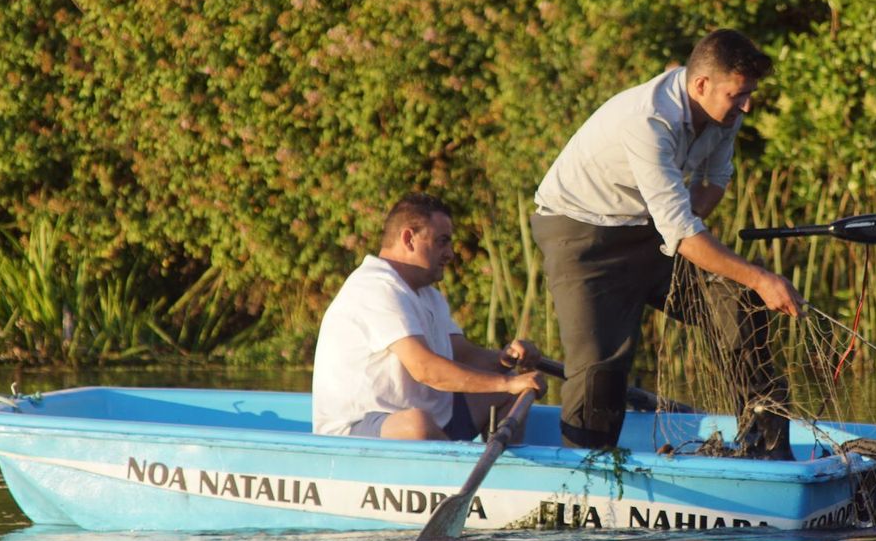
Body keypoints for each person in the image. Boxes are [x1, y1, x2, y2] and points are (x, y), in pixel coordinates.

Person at [531, 28, 802, 457]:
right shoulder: (649, 120)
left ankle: (765, 449)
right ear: (701, 85)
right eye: (738, 95)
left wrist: (691, 239)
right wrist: (763, 278)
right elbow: (683, 233)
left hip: (647, 226)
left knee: (736, 296)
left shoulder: (725, 113)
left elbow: (713, 182)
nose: (746, 105)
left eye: (750, 94)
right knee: (602, 363)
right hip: (580, 234)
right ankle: (585, 474)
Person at [313, 193, 545, 441]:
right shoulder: (375, 287)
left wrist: (506, 360)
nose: (450, 253)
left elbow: (462, 353)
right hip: (354, 430)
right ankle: (455, 470)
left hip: (433, 422)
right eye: (442, 241)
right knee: (417, 425)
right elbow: (425, 369)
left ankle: (505, 473)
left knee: (512, 389)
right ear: (408, 238)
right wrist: (505, 383)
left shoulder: (429, 295)